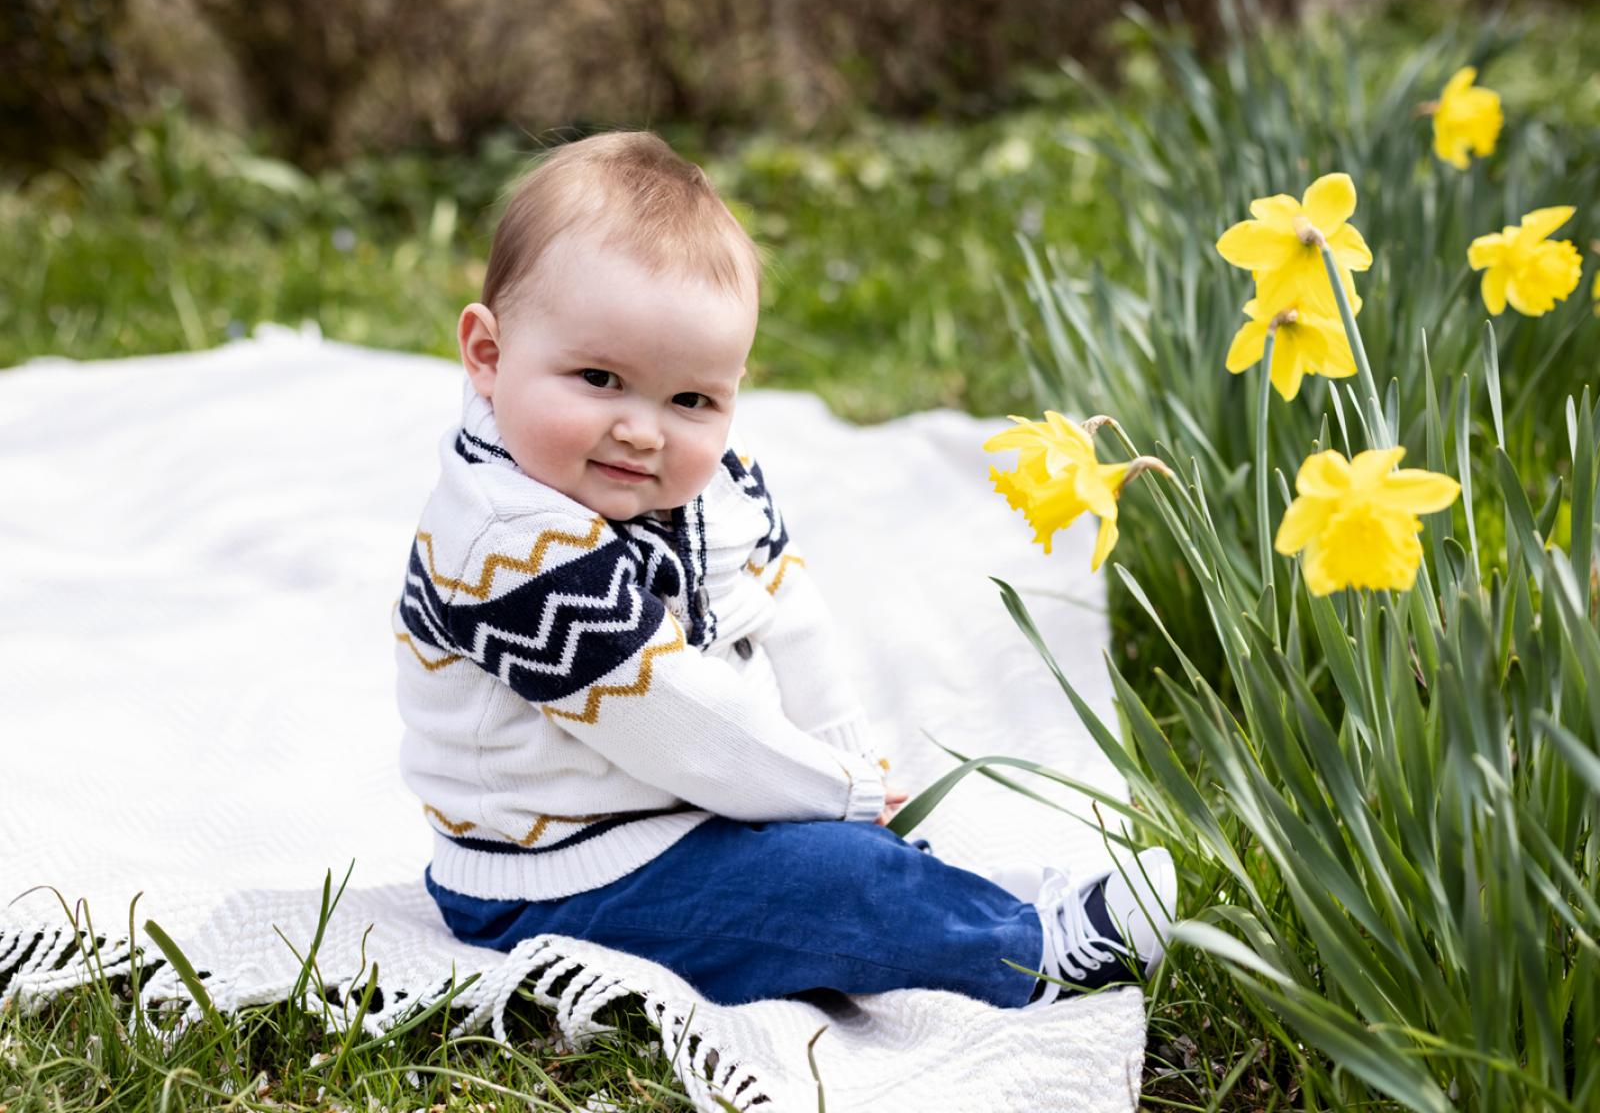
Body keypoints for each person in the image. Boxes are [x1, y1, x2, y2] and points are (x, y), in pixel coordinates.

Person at [393, 130, 1176, 1007]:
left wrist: (844, 760)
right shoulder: (503, 542)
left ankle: (972, 895)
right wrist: (833, 792)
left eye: (691, 399)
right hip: (554, 873)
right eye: (599, 378)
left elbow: (786, 613)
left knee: (842, 854)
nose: (645, 430)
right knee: (820, 890)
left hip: (679, 808)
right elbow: (672, 717)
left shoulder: (701, 487)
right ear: (488, 357)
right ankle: (1031, 951)